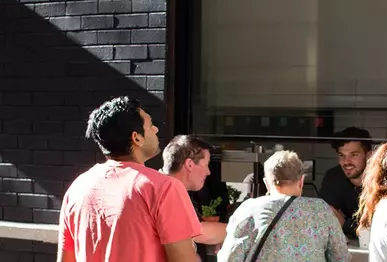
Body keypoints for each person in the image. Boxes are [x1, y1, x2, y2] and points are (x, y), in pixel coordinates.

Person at [57, 96, 202, 262]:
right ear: (137, 137)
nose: (155, 129)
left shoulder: (78, 188)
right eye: (149, 125)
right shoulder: (164, 187)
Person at [218, 150, 351, 262]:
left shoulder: (248, 209)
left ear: (266, 183)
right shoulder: (321, 209)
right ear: (301, 181)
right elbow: (341, 257)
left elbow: (230, 258)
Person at [320, 127, 387, 239]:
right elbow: (326, 217)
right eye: (342, 155)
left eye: (354, 154)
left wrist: (346, 224)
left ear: (369, 155)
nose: (346, 161)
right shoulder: (333, 177)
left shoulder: (383, 180)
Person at [161, 135, 228, 260]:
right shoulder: (166, 190)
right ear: (190, 164)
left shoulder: (167, 187)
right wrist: (241, 230)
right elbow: (198, 231)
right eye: (206, 164)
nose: (208, 172)